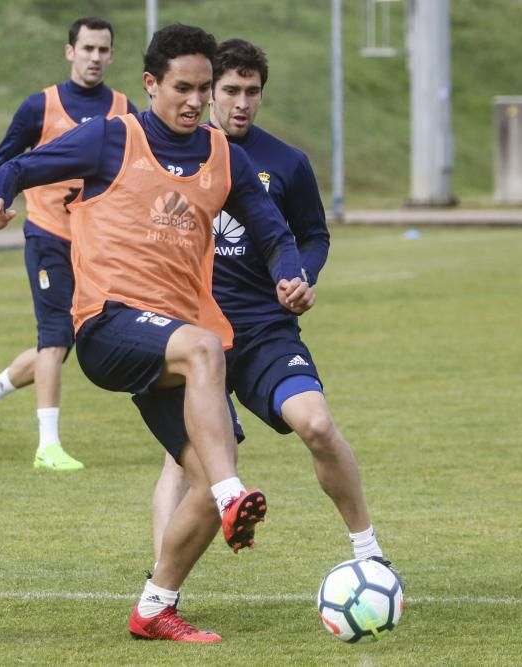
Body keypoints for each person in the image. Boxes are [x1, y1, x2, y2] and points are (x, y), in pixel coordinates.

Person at [0, 24, 309, 642]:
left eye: (205, 89)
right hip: (108, 323)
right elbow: (17, 166)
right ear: (150, 84)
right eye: (183, 87)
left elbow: (274, 231)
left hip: (171, 339)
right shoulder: (109, 139)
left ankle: (156, 605)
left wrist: (289, 275)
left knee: (205, 474)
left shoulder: (224, 154)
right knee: (206, 354)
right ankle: (234, 495)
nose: (197, 101)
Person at [148, 38, 400, 578]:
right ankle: (161, 579)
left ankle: (368, 552)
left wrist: (299, 274)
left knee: (317, 424)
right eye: (230, 90)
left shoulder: (287, 163)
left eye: (252, 92)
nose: (241, 102)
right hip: (192, 334)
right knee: (185, 461)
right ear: (208, 91)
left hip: (264, 332)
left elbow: (313, 235)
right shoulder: (172, 155)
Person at [0, 16, 137, 471]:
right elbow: (3, 159)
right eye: (87, 48)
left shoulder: (124, 108)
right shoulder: (40, 106)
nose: (95, 57)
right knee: (55, 337)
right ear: (69, 51)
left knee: (62, 343)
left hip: (94, 245)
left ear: (112, 56)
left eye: (103, 50)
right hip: (47, 236)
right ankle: (48, 446)